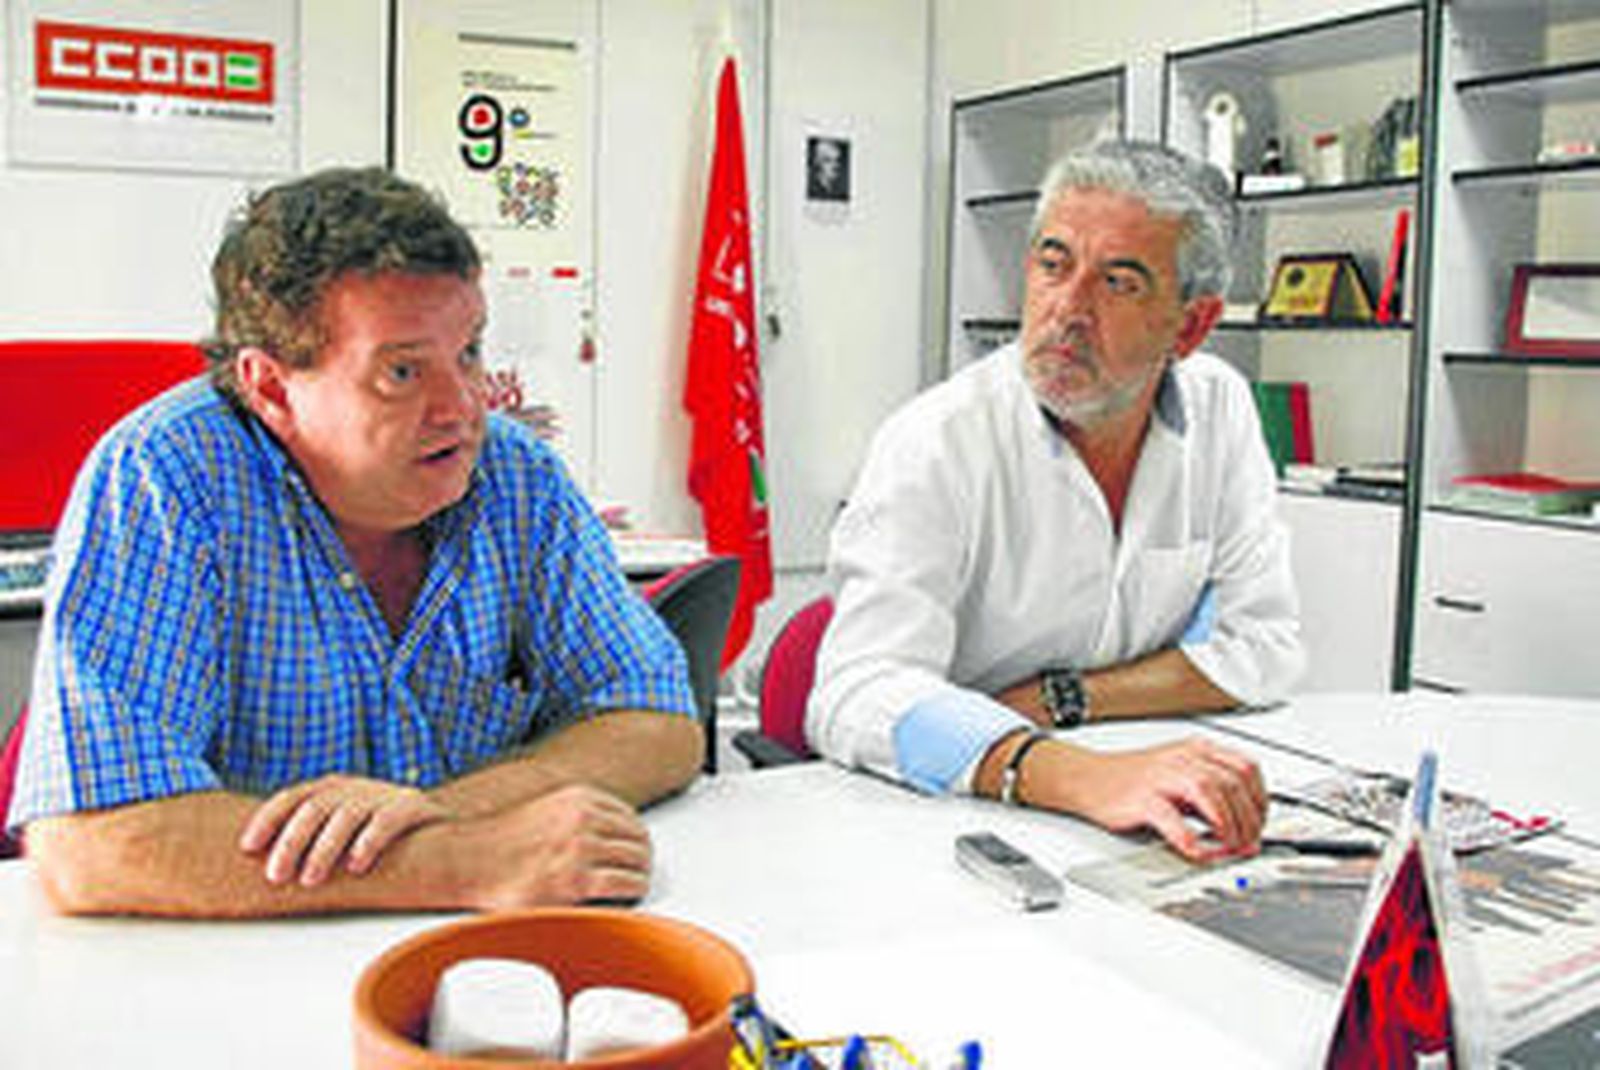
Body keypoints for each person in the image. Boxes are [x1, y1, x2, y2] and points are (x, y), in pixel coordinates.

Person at [7, 167, 703, 917]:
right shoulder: (166, 478)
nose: (463, 408)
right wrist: (460, 862)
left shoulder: (516, 474)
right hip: (236, 977)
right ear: (271, 388)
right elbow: (94, 842)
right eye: (402, 372)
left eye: (467, 352)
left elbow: (658, 720)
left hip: (476, 968)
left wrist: (446, 808)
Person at [809, 140, 1305, 862]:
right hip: (947, 820)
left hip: (1135, 800)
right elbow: (855, 691)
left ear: (1190, 327)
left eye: (1119, 283)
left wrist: (1061, 699)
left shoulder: (1220, 411)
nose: (1066, 309)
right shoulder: (936, 441)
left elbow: (1265, 649)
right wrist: (1071, 770)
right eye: (1053, 263)